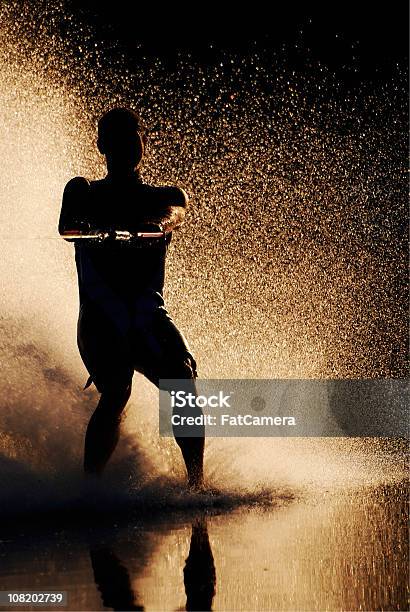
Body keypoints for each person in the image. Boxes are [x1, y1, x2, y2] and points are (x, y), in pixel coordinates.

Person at [59, 107, 204, 489]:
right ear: (102, 145)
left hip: (147, 314)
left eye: (132, 137)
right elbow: (67, 226)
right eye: (116, 139)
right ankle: (91, 490)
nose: (125, 146)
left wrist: (154, 225)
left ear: (143, 143)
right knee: (117, 386)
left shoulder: (165, 197)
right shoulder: (82, 191)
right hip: (99, 317)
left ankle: (196, 485)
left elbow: (174, 212)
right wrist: (97, 230)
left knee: (183, 377)